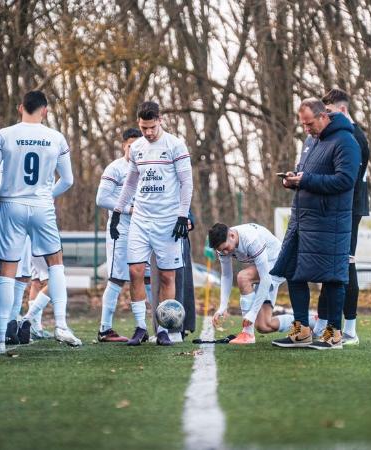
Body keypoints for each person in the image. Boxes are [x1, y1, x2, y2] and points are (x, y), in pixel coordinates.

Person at [0, 90, 77, 355]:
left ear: (20, 107)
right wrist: (47, 195)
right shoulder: (56, 137)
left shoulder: (4, 135)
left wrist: (1, 200)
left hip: (11, 205)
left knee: (7, 270)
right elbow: (68, 180)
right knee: (55, 263)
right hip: (42, 206)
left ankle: (0, 338)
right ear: (45, 110)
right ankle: (61, 325)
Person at [270, 98, 360, 350]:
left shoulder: (346, 141)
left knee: (332, 278)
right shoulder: (310, 142)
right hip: (302, 220)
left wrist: (306, 180)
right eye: (303, 124)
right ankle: (301, 331)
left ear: (323, 116)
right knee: (292, 271)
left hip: (330, 222)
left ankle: (334, 333)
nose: (306, 129)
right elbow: (306, 175)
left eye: (309, 123)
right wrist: (292, 180)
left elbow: (345, 180)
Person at [110, 101, 193, 346]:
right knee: (135, 272)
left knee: (167, 277)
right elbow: (130, 182)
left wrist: (182, 215)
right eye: (143, 128)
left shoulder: (175, 145)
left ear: (160, 120)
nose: (147, 132)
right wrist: (118, 211)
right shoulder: (136, 147)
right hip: (141, 219)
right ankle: (140, 327)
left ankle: (164, 330)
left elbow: (186, 182)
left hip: (167, 221)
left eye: (151, 127)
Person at [95, 127, 154, 343]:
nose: (135, 150)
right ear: (124, 146)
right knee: (118, 278)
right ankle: (105, 329)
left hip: (145, 230)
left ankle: (158, 327)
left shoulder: (148, 168)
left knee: (148, 277)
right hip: (121, 230)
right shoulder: (115, 168)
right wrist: (129, 209)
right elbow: (101, 199)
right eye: (131, 146)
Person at [321, 88, 369, 345]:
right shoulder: (337, 135)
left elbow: (349, 179)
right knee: (329, 265)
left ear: (342, 110)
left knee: (346, 264)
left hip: (350, 208)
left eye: (329, 112)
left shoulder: (355, 137)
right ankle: (322, 324)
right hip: (337, 207)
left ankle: (350, 329)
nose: (326, 117)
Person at [208, 222, 294, 344]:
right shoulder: (223, 246)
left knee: (243, 277)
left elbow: (265, 278)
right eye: (221, 250)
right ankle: (308, 322)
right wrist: (222, 306)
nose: (225, 253)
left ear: (232, 235)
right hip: (265, 267)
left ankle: (247, 334)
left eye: (226, 248)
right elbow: (226, 276)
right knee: (264, 325)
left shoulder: (251, 239)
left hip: (279, 263)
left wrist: (253, 313)